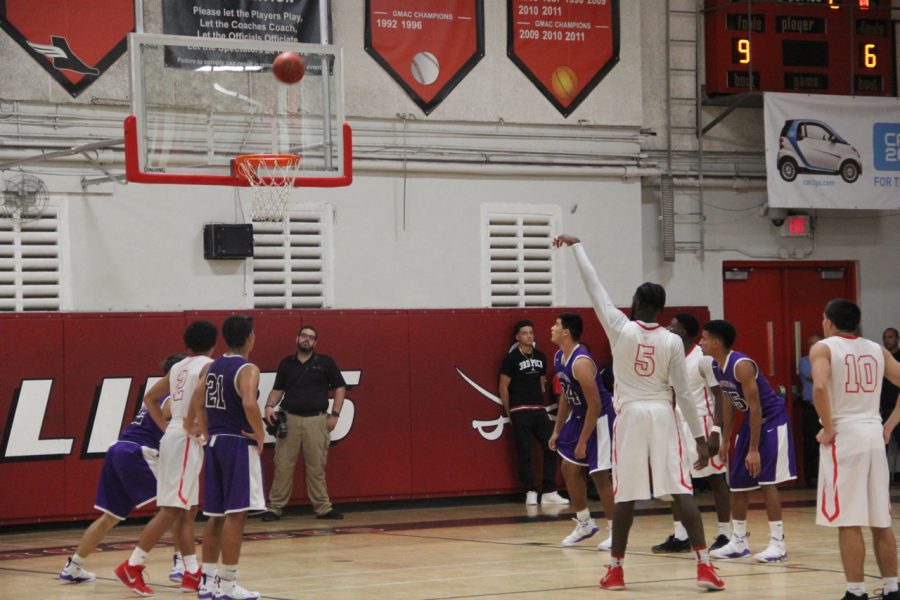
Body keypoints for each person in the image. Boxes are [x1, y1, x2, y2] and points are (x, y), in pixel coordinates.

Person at [555, 234, 724, 592]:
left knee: (627, 494)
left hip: (631, 415)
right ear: (661, 310)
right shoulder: (673, 340)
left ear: (634, 303)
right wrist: (700, 438)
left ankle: (615, 570)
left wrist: (577, 246)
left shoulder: (619, 327)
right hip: (663, 414)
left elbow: (594, 285)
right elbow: (684, 394)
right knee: (682, 492)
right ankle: (705, 566)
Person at [58, 353, 186, 585]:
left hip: (119, 449)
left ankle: (74, 566)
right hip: (136, 452)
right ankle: (180, 565)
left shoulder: (157, 397)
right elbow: (173, 428)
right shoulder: (171, 399)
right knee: (176, 506)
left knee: (110, 517)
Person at [114, 321, 218, 596]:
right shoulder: (208, 365)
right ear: (213, 343)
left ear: (187, 345)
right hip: (185, 439)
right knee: (172, 509)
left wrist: (167, 426)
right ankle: (132, 565)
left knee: (185, 511)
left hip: (174, 436)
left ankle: (191, 572)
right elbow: (198, 399)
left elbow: (150, 398)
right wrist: (196, 427)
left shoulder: (178, 366)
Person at [811, 299, 900, 600]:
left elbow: (820, 387)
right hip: (874, 433)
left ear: (828, 322)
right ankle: (892, 587)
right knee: (880, 518)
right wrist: (889, 425)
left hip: (846, 435)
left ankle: (856, 591)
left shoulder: (823, 348)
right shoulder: (878, 349)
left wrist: (828, 425)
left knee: (848, 519)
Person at [701, 319, 796, 563]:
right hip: (751, 423)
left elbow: (755, 408)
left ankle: (778, 543)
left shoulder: (741, 365)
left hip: (772, 420)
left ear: (716, 342)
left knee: (767, 481)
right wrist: (725, 439)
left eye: (704, 338)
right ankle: (739, 540)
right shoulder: (715, 364)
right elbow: (728, 401)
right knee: (738, 483)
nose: (700, 342)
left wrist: (753, 449)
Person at [195, 315, 266, 600]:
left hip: (214, 443)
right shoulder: (247, 368)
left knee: (214, 515)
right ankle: (228, 585)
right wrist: (260, 434)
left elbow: (197, 402)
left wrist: (207, 431)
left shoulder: (212, 366)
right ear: (250, 337)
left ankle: (207, 582)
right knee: (236, 516)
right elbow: (249, 402)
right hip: (237, 444)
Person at [650, 313, 732, 554]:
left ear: (683, 332)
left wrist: (717, 431)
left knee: (716, 479)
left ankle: (726, 534)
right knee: (678, 481)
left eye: (672, 326)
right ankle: (681, 535)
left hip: (703, 423)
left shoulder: (703, 359)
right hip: (678, 424)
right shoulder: (671, 356)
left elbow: (721, 396)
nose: (667, 328)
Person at [261, 324, 346, 521]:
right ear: (296, 339)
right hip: (289, 419)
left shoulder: (325, 363)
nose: (306, 339)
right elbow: (278, 389)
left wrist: (335, 415)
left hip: (316, 420)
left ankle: (323, 508)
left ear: (315, 342)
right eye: (303, 336)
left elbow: (340, 388)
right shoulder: (286, 364)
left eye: (311, 337)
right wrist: (268, 405)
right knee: (283, 465)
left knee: (316, 467)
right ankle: (275, 508)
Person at [547, 313, 616, 550]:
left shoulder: (581, 362)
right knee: (568, 467)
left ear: (566, 332)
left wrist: (583, 441)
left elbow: (595, 405)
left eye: (556, 325)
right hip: (579, 416)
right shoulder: (559, 357)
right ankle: (585, 523)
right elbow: (566, 395)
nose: (552, 328)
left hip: (600, 418)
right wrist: (557, 429)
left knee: (599, 476)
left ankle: (616, 531)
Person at [499, 319, 568, 506]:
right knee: (524, 452)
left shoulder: (541, 356)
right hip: (519, 410)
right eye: (524, 333)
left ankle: (549, 490)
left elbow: (542, 381)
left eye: (531, 332)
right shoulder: (511, 359)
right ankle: (529, 490)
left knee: (551, 446)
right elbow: (503, 387)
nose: (529, 335)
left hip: (538, 409)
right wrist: (509, 412)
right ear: (517, 337)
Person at [798, 333, 823, 485]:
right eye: (811, 344)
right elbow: (814, 376)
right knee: (811, 443)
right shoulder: (804, 361)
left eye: (817, 344)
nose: (813, 347)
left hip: (827, 406)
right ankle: (811, 476)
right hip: (810, 407)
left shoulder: (829, 360)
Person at [880, 327, 900, 444]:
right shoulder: (880, 358)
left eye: (890, 337)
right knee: (881, 444)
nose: (887, 340)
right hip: (884, 409)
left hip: (897, 407)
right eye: (884, 337)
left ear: (897, 339)